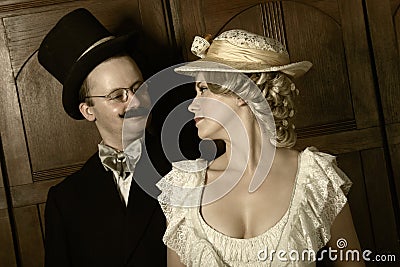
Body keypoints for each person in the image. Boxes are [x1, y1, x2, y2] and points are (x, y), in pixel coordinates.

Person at [156, 29, 364, 266]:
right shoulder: (185, 187)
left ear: (242, 92)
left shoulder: (315, 178)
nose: (192, 106)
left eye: (202, 90)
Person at [38, 8, 167, 266]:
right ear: (88, 111)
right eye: (117, 96)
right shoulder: (65, 201)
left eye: (138, 87)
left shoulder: (188, 163)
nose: (136, 102)